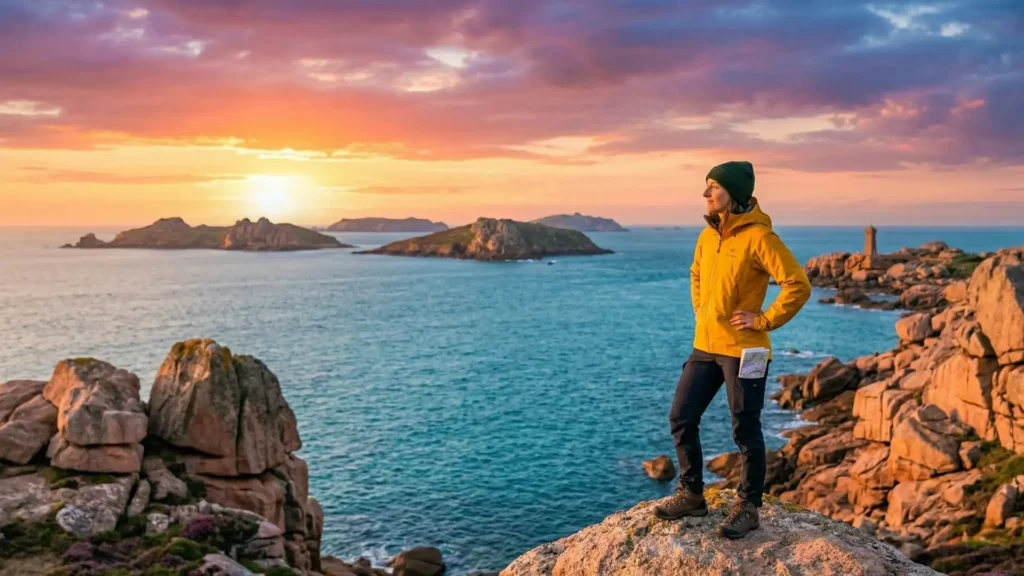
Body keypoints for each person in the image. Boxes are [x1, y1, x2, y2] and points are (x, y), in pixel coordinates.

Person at [653, 160, 811, 539]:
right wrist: (701, 312)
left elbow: (797, 284)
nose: (706, 194)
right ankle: (691, 494)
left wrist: (764, 319)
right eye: (707, 187)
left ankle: (748, 507)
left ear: (734, 194)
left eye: (714, 187)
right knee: (681, 417)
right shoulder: (707, 237)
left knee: (745, 428)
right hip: (705, 346)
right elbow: (695, 273)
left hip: (748, 352)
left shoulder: (760, 238)